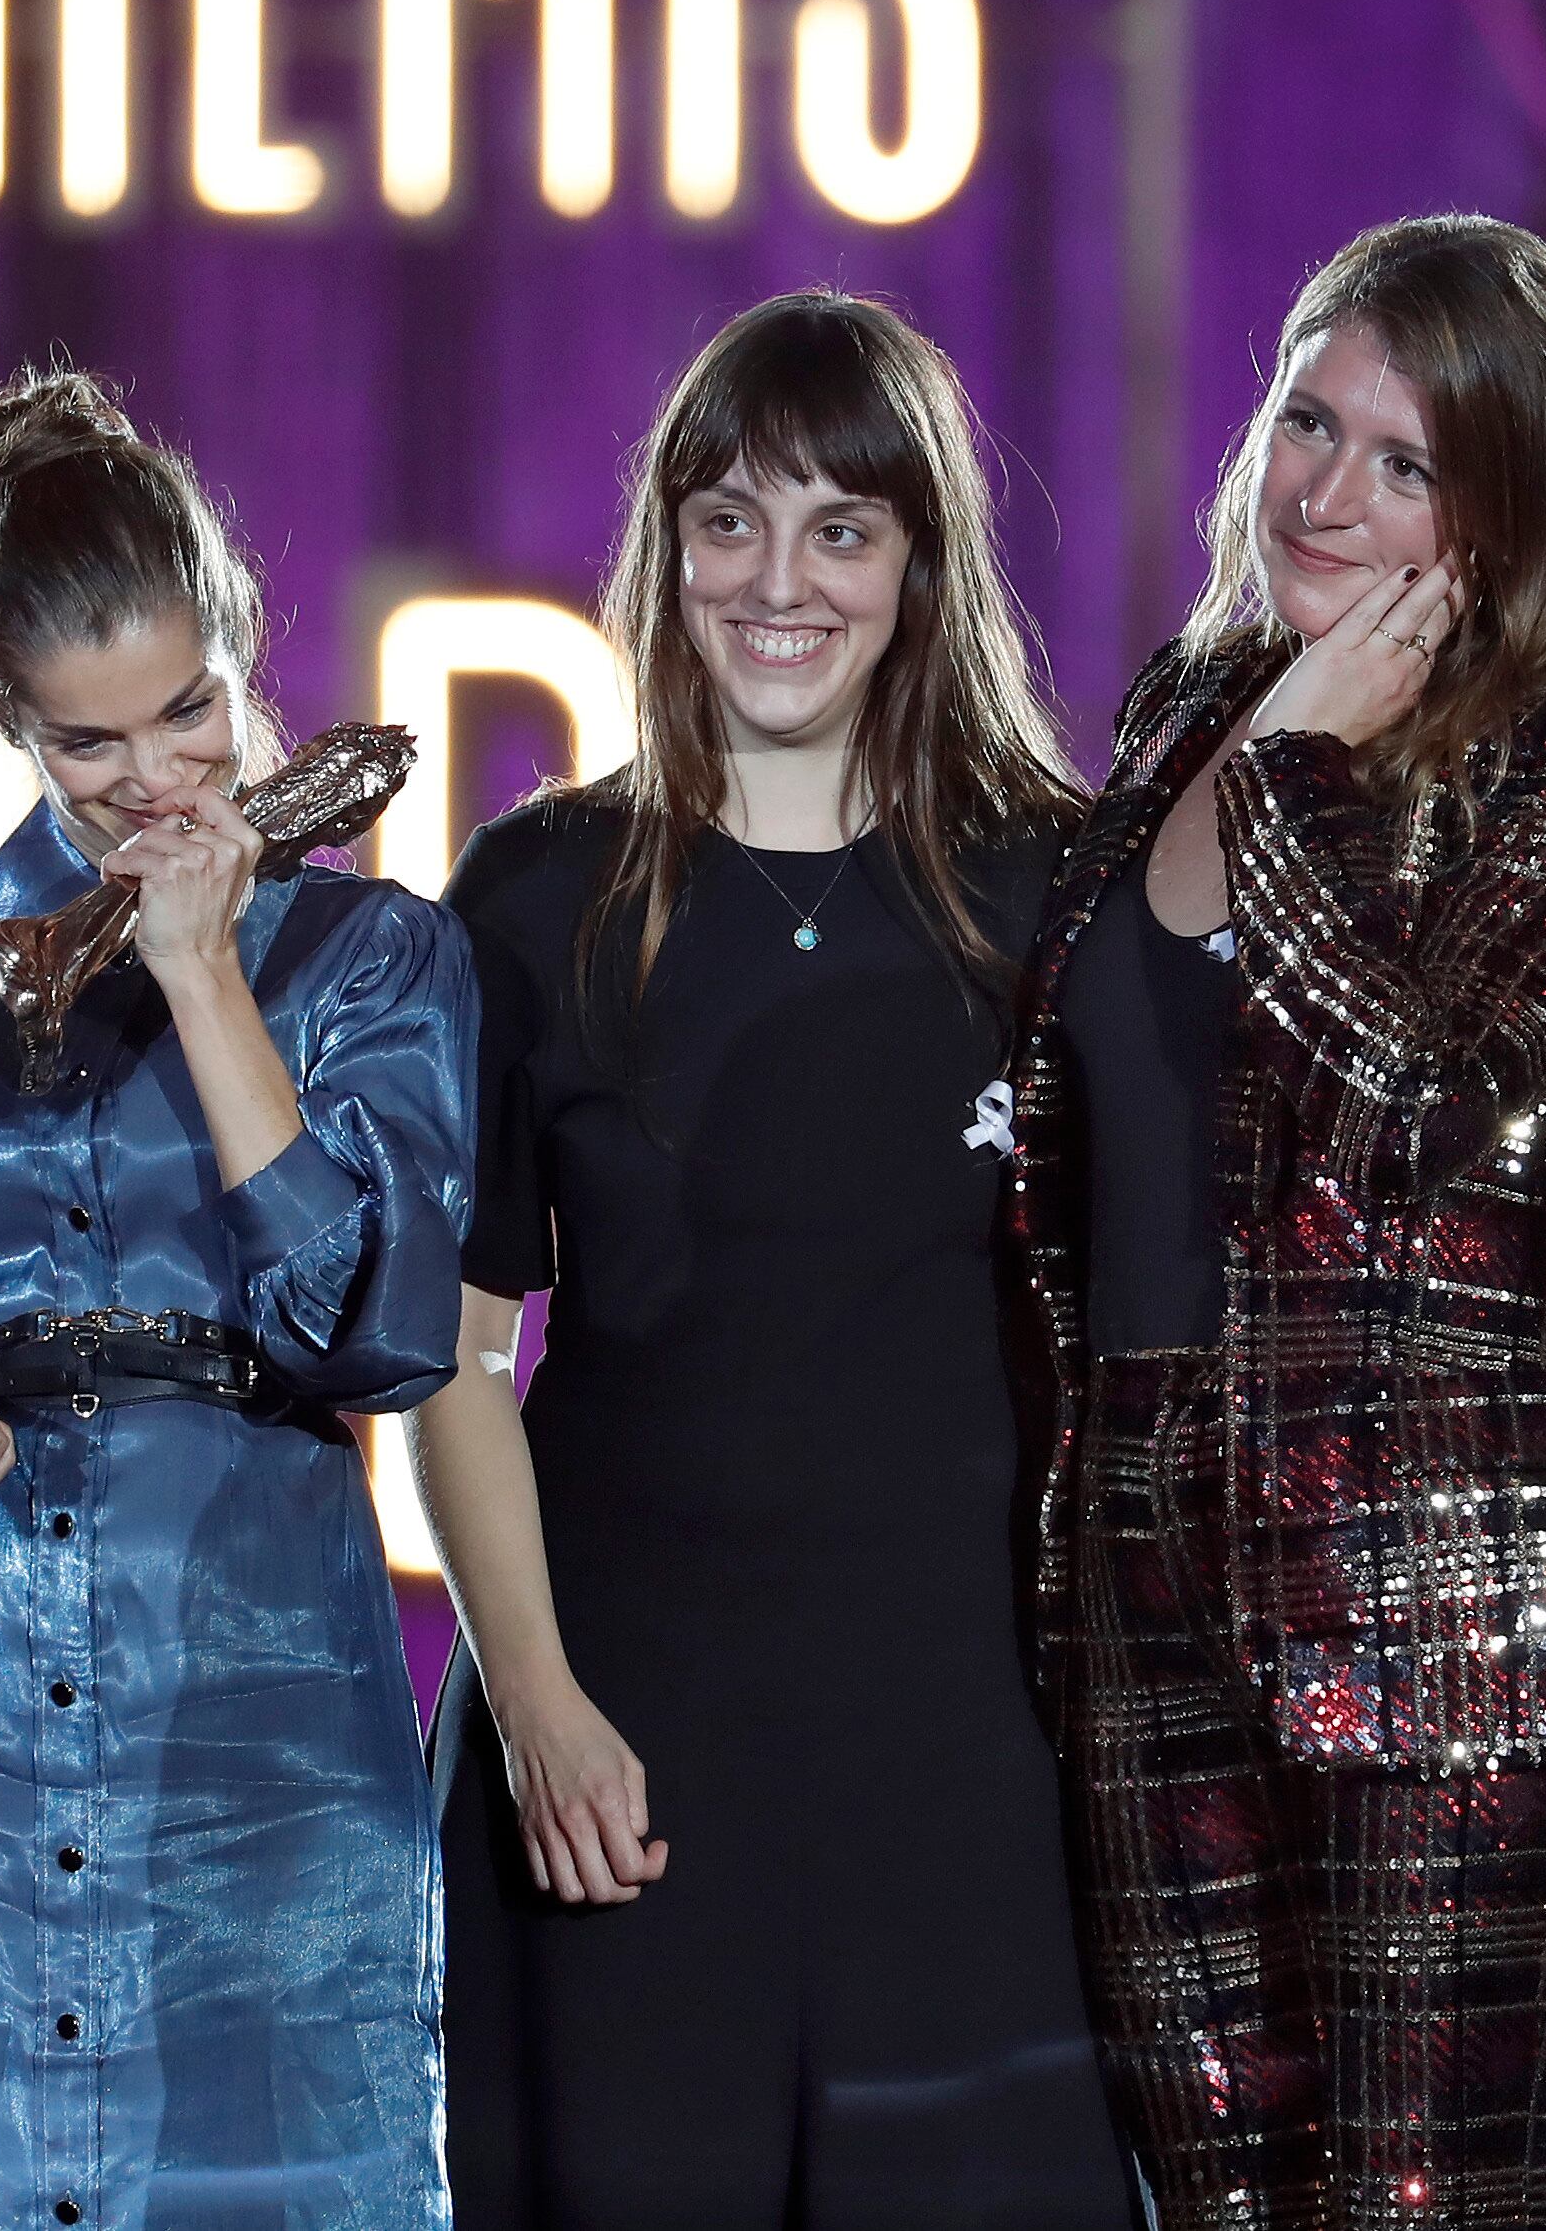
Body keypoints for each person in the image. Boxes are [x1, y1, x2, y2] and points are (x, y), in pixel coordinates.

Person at [0, 368, 475, 2228]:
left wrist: (212, 982)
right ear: (5, 724)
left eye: (190, 711)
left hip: (264, 1752)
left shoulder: (378, 954)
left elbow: (373, 1329)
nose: (158, 778)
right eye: (89, 746)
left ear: (237, 646)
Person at [1005, 214, 1546, 2228]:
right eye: (1306, 421)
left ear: (1502, 510)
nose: (1321, 489)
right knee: (1213, 2198)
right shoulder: (1183, 705)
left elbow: (1427, 1113)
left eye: (1404, 464)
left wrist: (1297, 775)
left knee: (1415, 2210)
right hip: (1140, 1554)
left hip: (1439, 1593)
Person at [407, 293, 1125, 2228]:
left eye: (840, 528)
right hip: (623, 1752)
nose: (778, 582)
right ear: (668, 553)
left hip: (967, 1756)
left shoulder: (1053, 894)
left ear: (919, 561)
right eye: (728, 522)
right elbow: (458, 1358)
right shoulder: (536, 894)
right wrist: (540, 1706)